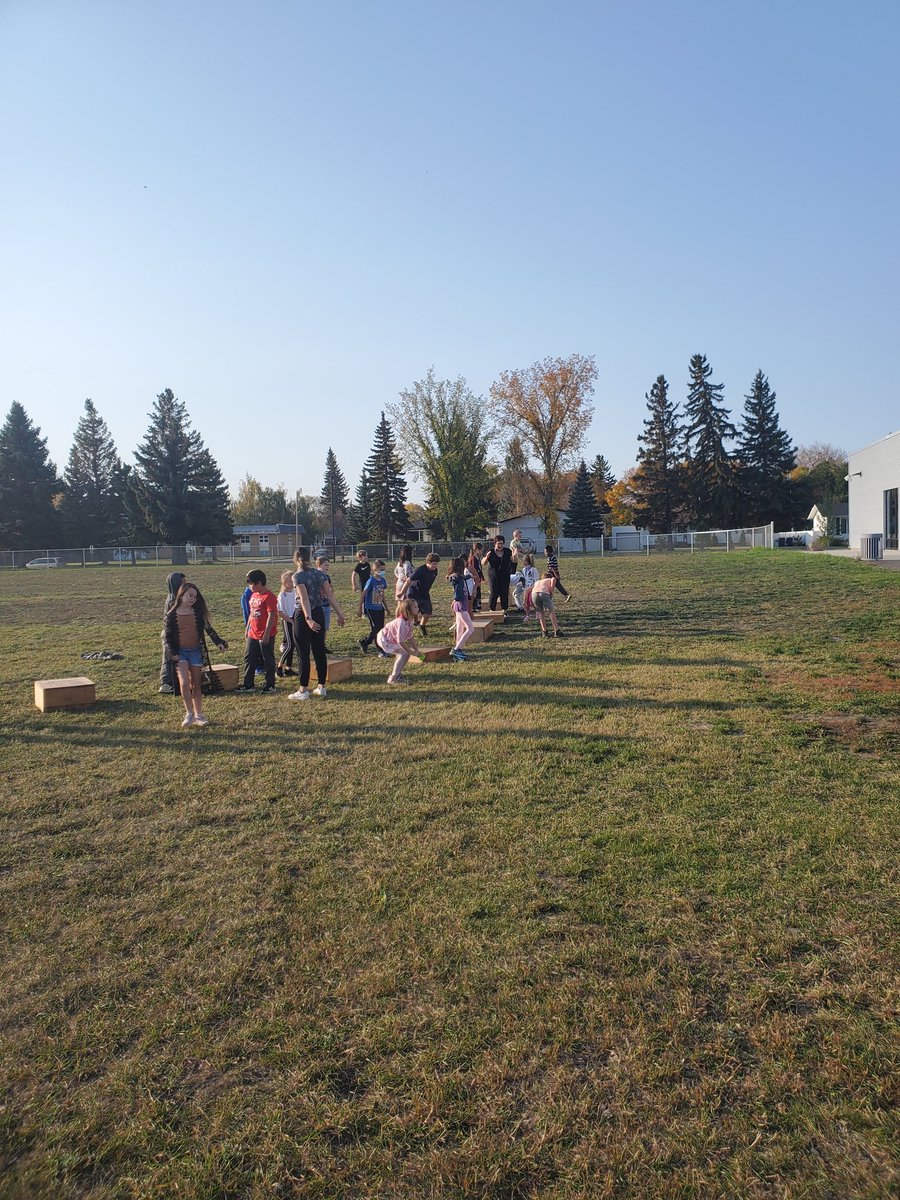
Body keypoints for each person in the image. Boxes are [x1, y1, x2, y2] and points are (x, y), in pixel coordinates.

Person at [163, 581, 226, 727]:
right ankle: (189, 714)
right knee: (184, 683)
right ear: (181, 595)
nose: (192, 599)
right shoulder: (171, 615)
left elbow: (209, 629)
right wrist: (171, 651)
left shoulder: (197, 613)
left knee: (196, 684)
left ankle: (199, 714)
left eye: (195, 597)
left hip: (196, 652)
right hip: (180, 653)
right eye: (189, 595)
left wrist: (219, 642)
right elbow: (167, 636)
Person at [290, 547, 346, 700]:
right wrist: (340, 614)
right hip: (319, 613)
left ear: (295, 559)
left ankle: (303, 690)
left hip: (303, 615)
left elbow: (304, 599)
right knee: (319, 650)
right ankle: (321, 686)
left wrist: (308, 619)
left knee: (303, 653)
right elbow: (330, 595)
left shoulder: (297, 576)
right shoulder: (320, 574)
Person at [237, 569, 278, 692]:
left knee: (267, 659)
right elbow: (251, 613)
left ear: (259, 583)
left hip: (265, 634)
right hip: (252, 633)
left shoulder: (269, 597)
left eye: (251, 584)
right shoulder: (254, 595)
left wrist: (266, 634)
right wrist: (248, 628)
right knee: (249, 658)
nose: (250, 586)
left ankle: (270, 685)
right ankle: (248, 685)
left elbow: (272, 616)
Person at [376, 598, 421, 684]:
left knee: (404, 653)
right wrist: (411, 652)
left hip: (389, 639)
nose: (418, 608)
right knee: (404, 653)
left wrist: (416, 650)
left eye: (417, 606)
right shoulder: (401, 623)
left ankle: (397, 675)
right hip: (384, 639)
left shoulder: (410, 621)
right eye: (415, 607)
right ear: (408, 610)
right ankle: (393, 678)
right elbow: (400, 641)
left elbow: (410, 636)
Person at [399, 552, 440, 634]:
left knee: (428, 612)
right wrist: (402, 593)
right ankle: (405, 628)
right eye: (434, 564)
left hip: (424, 594)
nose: (435, 566)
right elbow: (408, 581)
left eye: (436, 564)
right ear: (427, 562)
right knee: (412, 612)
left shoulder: (435, 571)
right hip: (414, 593)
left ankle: (422, 625)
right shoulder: (420, 570)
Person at [158, 570, 185, 692]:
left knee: (173, 657)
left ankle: (173, 681)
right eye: (182, 582)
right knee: (168, 658)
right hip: (170, 634)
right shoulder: (172, 600)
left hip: (175, 633)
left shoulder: (175, 597)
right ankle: (166, 683)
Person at [358, 559, 389, 655]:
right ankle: (380, 650)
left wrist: (387, 607)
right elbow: (363, 594)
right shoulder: (371, 580)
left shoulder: (383, 581)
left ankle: (365, 642)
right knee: (376, 629)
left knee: (380, 628)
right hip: (370, 608)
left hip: (380, 608)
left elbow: (382, 595)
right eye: (381, 570)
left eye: (384, 570)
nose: (383, 572)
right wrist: (359, 608)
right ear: (374, 570)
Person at [447, 556, 474, 662]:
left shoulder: (461, 577)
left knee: (460, 628)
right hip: (460, 606)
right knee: (470, 628)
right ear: (459, 567)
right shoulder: (456, 577)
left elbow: (463, 577)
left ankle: (458, 649)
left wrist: (470, 576)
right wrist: (452, 576)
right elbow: (453, 578)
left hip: (460, 605)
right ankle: (456, 649)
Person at [482, 535, 513, 611]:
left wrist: (515, 556)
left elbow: (514, 561)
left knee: (504, 593)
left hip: (504, 576)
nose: (500, 545)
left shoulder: (508, 551)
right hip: (493, 576)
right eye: (498, 543)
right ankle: (492, 610)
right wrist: (486, 557)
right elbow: (483, 563)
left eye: (502, 543)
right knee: (493, 593)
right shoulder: (490, 551)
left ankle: (504, 610)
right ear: (495, 543)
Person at [276, 569, 297, 677]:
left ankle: (288, 668)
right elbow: (279, 612)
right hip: (287, 621)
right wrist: (290, 620)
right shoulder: (282, 595)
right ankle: (279, 667)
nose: (293, 584)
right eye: (291, 581)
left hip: (295, 620)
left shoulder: (295, 592)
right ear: (285, 583)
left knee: (293, 645)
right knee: (289, 646)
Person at [531, 572, 563, 637]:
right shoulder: (551, 579)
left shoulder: (538, 582)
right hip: (544, 593)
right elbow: (553, 583)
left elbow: (529, 590)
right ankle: (556, 630)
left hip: (534, 594)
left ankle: (544, 631)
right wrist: (551, 593)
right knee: (551, 611)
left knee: (541, 613)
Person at [351, 549, 372, 617]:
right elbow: (353, 575)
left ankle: (369, 610)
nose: (366, 557)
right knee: (364, 597)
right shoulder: (359, 566)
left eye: (367, 556)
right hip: (362, 583)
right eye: (365, 556)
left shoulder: (368, 564)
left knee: (370, 596)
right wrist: (354, 585)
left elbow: (370, 573)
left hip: (369, 582)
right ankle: (364, 612)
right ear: (360, 557)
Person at [315, 554, 334, 631]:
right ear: (319, 565)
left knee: (325, 628)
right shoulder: (314, 575)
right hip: (317, 605)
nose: (327, 567)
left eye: (328, 565)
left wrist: (328, 594)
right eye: (325, 565)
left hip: (325, 604)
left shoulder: (326, 577)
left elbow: (332, 588)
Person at [467, 542, 485, 612]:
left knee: (478, 592)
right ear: (477, 549)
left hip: (478, 577)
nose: (481, 552)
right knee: (475, 592)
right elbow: (474, 570)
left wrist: (482, 577)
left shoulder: (478, 558)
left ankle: (477, 605)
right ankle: (473, 607)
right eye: (480, 550)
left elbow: (480, 569)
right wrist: (476, 578)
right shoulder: (473, 558)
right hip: (475, 578)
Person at [521, 554, 539, 621]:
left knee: (532, 601)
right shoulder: (523, 570)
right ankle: (527, 615)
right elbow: (524, 579)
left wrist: (533, 587)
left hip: (532, 588)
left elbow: (536, 579)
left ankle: (537, 612)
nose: (523, 562)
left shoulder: (533, 569)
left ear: (527, 561)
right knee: (526, 602)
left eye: (524, 561)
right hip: (526, 588)